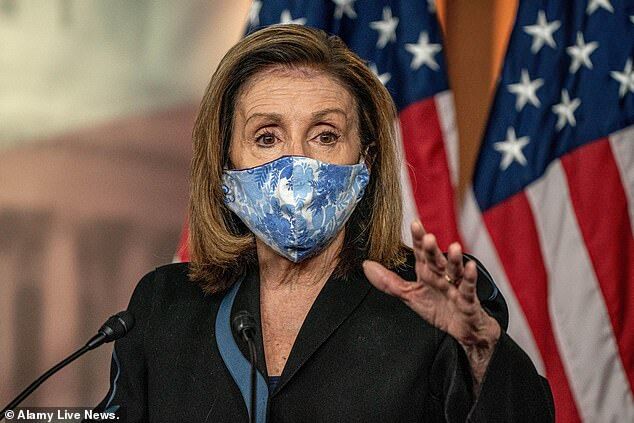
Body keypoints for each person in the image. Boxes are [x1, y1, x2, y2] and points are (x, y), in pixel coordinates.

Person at [92, 24, 554, 422]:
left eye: (326, 135)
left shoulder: (431, 298)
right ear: (225, 163)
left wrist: (481, 352)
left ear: (365, 162)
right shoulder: (163, 306)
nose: (296, 160)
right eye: (267, 137)